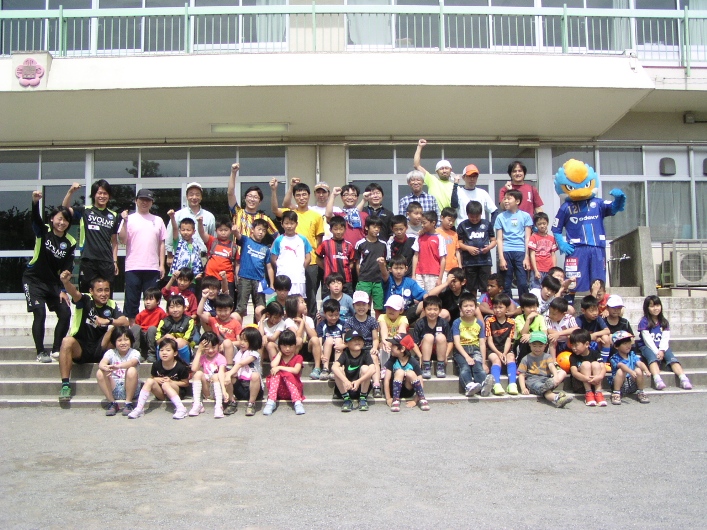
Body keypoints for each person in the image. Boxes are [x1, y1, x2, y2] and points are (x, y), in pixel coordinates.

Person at [58, 273, 129, 402]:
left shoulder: (111, 304)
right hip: (81, 347)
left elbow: (125, 321)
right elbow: (74, 293)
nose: (104, 294)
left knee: (117, 329)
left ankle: (122, 372)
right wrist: (65, 282)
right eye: (100, 290)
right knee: (66, 341)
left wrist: (108, 321)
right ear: (91, 291)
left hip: (100, 347)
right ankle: (65, 385)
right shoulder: (85, 300)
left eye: (106, 290)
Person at [23, 191, 76, 363]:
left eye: (65, 220)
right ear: (52, 219)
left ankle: (55, 349)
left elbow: (67, 267)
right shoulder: (43, 231)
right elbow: (35, 220)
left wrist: (62, 288)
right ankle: (40, 352)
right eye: (59, 218)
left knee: (65, 312)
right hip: (33, 280)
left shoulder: (70, 242)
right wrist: (35, 202)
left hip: (53, 284)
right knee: (40, 313)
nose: (62, 222)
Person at [271, 178, 324, 316]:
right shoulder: (291, 213)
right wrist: (280, 189)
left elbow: (319, 240)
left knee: (309, 296)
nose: (302, 198)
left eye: (304, 194)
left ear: (309, 196)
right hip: (290, 266)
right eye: (298, 195)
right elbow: (275, 209)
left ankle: (310, 325)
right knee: (288, 297)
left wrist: (313, 260)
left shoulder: (316, 216)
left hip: (311, 263)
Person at [118, 189, 166, 325]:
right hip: (133, 266)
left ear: (152, 203)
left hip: (152, 267)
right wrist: (125, 221)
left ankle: (150, 329)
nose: (145, 202)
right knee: (132, 301)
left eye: (148, 200)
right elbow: (122, 239)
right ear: (136, 201)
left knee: (152, 301)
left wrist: (161, 264)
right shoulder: (129, 218)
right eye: (142, 199)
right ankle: (133, 330)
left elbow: (162, 243)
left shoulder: (158, 220)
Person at [62, 180, 119, 292]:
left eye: (105, 193)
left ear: (109, 196)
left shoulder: (113, 215)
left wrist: (115, 261)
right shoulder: (85, 211)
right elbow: (64, 209)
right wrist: (70, 192)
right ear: (94, 195)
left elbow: (114, 241)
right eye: (99, 193)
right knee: (86, 295)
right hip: (88, 260)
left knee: (106, 295)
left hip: (107, 262)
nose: (102, 196)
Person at [637, 295, 692, 391]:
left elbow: (665, 338)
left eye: (657, 305)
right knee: (652, 359)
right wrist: (656, 351)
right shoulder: (644, 321)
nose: (656, 308)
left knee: (673, 359)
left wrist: (662, 350)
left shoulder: (664, 322)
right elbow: (647, 340)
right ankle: (657, 379)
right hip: (647, 347)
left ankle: (683, 378)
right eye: (652, 306)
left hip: (662, 347)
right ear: (647, 308)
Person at [127, 337, 190, 419]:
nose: (164, 353)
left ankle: (181, 409)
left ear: (175, 353)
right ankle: (139, 408)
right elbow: (152, 378)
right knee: (149, 381)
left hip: (177, 392)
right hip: (161, 393)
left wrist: (171, 382)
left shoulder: (180, 367)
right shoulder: (156, 365)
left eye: (168, 350)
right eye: (161, 350)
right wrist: (155, 379)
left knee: (166, 384)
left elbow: (185, 383)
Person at [452, 294, 494, 397]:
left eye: (471, 306)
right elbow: (456, 342)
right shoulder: (457, 322)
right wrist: (466, 356)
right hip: (461, 350)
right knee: (465, 368)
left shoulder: (479, 323)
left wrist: (484, 362)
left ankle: (484, 385)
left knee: (479, 367)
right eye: (465, 306)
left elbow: (482, 343)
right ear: (460, 308)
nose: (468, 309)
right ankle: (469, 385)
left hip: (475, 349)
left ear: (476, 308)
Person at [233, 219, 274, 322]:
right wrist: (234, 230)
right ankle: (238, 332)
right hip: (244, 278)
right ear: (252, 229)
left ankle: (258, 332)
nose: (261, 232)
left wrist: (272, 284)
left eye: (264, 230)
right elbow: (238, 235)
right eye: (259, 229)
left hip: (260, 281)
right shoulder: (246, 240)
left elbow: (269, 267)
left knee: (260, 308)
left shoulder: (265, 248)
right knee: (241, 308)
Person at [518, 331, 573, 408]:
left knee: (562, 372)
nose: (537, 349)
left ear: (545, 345)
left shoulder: (547, 356)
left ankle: (552, 388)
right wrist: (523, 388)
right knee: (545, 391)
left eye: (540, 346)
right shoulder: (526, 358)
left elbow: (551, 366)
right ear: (530, 345)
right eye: (534, 346)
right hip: (533, 381)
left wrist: (555, 377)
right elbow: (521, 374)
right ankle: (557, 398)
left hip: (546, 379)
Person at [494, 189, 533, 297]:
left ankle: (524, 307)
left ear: (517, 201)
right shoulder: (500, 217)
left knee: (522, 283)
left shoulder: (525, 216)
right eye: (504, 198)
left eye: (509, 198)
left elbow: (527, 238)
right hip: (506, 252)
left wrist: (527, 257)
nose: (505, 201)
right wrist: (501, 258)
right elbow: (499, 239)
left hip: (521, 252)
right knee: (505, 284)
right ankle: (508, 309)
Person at [96, 326, 141, 416]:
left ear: (131, 341)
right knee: (100, 372)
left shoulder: (135, 352)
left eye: (126, 340)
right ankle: (112, 403)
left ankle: (128, 403)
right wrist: (106, 368)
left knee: (132, 370)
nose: (123, 343)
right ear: (114, 342)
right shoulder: (110, 352)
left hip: (130, 388)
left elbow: (132, 362)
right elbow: (102, 363)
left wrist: (118, 366)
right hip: (114, 387)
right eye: (119, 340)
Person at [165, 181, 215, 262]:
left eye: (197, 194)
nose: (194, 197)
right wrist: (169, 256)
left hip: (203, 258)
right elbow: (170, 235)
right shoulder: (178, 215)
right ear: (187, 197)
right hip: (182, 257)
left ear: (201, 197)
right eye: (191, 194)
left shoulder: (209, 216)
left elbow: (212, 239)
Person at [228, 163, 278, 243]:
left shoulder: (264, 219)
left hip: (255, 254)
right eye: (250, 196)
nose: (252, 199)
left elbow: (277, 237)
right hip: (238, 255)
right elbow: (230, 193)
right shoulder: (237, 212)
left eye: (255, 197)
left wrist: (269, 252)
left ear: (260, 201)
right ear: (245, 198)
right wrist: (233, 173)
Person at [345, 291, 381, 396]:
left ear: (369, 306)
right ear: (353, 306)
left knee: (374, 357)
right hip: (355, 347)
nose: (361, 307)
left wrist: (374, 347)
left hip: (368, 347)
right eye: (358, 304)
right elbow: (347, 338)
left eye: (364, 304)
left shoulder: (372, 321)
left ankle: (376, 384)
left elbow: (375, 338)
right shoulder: (349, 321)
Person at [457, 200, 496, 299]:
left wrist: (489, 247)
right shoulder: (463, 225)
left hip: (484, 261)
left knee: (485, 287)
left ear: (481, 214)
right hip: (469, 262)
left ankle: (484, 306)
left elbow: (494, 241)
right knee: (471, 288)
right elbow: (459, 243)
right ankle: (472, 306)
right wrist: (468, 248)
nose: (474, 219)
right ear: (467, 214)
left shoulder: (487, 224)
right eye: (472, 217)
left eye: (477, 217)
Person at [263, 329, 306, 416]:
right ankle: (271, 402)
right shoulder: (279, 357)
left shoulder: (298, 357)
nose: (287, 349)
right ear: (280, 346)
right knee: (275, 375)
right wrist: (279, 354)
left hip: (293, 389)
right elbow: (273, 365)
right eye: (284, 346)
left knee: (287, 374)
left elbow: (296, 370)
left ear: (295, 346)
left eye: (291, 346)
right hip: (278, 389)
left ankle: (297, 403)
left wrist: (280, 367)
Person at [331, 329, 376, 412]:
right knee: (339, 369)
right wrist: (346, 381)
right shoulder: (345, 354)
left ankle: (363, 398)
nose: (357, 341)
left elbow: (373, 369)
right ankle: (347, 399)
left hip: (360, 387)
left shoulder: (365, 353)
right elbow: (334, 367)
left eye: (359, 339)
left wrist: (358, 381)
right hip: (346, 387)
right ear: (346, 344)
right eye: (353, 340)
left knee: (365, 368)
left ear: (363, 342)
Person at [383, 333, 430, 412]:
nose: (391, 347)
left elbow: (420, 381)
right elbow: (386, 380)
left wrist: (415, 400)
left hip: (408, 390)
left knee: (410, 373)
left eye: (394, 345)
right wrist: (388, 398)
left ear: (402, 349)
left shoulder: (413, 362)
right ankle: (396, 400)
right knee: (400, 372)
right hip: (394, 390)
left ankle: (422, 398)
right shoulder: (392, 360)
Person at [224, 326, 265, 417]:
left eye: (245, 341)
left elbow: (240, 364)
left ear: (253, 342)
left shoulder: (254, 353)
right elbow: (236, 370)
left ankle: (251, 403)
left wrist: (229, 374)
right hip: (241, 386)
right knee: (228, 375)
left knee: (255, 375)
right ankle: (232, 402)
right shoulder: (239, 353)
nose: (242, 343)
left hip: (254, 389)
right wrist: (228, 375)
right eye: (241, 340)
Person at [271, 210, 312, 299]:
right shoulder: (279, 240)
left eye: (292, 223)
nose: (289, 226)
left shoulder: (302, 239)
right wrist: (281, 267)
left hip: (298, 278)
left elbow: (308, 258)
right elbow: (273, 258)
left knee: (297, 301)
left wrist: (300, 267)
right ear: (282, 224)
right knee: (283, 300)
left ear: (296, 224)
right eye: (286, 223)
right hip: (283, 277)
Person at [411, 296, 453, 379]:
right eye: (429, 309)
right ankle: (426, 367)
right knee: (429, 337)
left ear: (440, 310)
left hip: (439, 352)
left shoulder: (443, 322)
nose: (432, 312)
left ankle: (440, 366)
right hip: (424, 352)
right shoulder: (420, 323)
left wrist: (446, 354)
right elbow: (414, 343)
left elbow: (450, 341)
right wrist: (420, 356)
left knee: (440, 337)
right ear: (424, 310)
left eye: (435, 309)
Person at [189, 331, 228, 419]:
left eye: (213, 347)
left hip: (218, 389)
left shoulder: (221, 358)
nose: (210, 350)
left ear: (218, 345)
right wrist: (199, 351)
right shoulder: (202, 358)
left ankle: (219, 406)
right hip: (207, 390)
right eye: (206, 347)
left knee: (215, 375)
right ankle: (197, 404)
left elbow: (221, 373)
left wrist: (224, 390)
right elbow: (194, 369)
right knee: (198, 373)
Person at [378, 255, 427, 325]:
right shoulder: (389, 280)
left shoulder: (410, 282)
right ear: (390, 269)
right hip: (390, 312)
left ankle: (419, 327)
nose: (398, 271)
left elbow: (423, 294)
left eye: (401, 268)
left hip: (405, 313)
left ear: (406, 268)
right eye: (396, 268)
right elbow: (384, 274)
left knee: (425, 303)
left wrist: (429, 299)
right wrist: (382, 265)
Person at [485, 293, 517, 396]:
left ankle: (512, 384)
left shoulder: (512, 322)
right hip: (493, 348)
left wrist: (504, 352)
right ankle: (496, 384)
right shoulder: (489, 321)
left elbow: (509, 340)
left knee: (511, 357)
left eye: (500, 307)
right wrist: (499, 353)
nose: (498, 310)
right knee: (496, 360)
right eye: (495, 307)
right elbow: (489, 341)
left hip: (506, 348)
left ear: (507, 308)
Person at [354, 216, 387, 316]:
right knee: (362, 306)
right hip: (364, 281)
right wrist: (361, 277)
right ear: (367, 227)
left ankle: (379, 330)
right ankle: (363, 329)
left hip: (379, 281)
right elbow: (357, 263)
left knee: (379, 308)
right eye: (374, 226)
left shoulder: (384, 244)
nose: (376, 229)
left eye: (379, 227)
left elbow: (387, 262)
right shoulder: (360, 244)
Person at [199, 215, 237, 300]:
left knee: (227, 301)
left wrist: (237, 279)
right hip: (210, 277)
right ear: (216, 231)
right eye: (220, 230)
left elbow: (237, 264)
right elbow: (202, 233)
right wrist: (200, 223)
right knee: (208, 302)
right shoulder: (212, 241)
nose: (223, 233)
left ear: (230, 231)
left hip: (227, 279)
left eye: (226, 230)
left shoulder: (234, 246)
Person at [284, 294, 322, 379]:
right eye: (302, 302)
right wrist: (301, 324)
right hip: (296, 348)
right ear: (294, 306)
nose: (305, 304)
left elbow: (314, 335)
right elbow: (296, 337)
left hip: (307, 348)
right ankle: (292, 363)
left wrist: (304, 323)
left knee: (315, 339)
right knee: (298, 340)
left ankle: (317, 368)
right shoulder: (289, 321)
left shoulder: (308, 319)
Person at [197, 293, 241, 365]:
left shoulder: (235, 323)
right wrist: (204, 298)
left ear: (231, 309)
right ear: (215, 310)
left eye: (226, 310)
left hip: (231, 349)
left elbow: (240, 342)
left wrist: (225, 344)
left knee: (227, 343)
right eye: (220, 310)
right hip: (217, 348)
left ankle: (229, 367)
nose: (223, 313)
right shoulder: (213, 320)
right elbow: (199, 313)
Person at [316, 216, 355, 295]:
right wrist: (327, 268)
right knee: (328, 304)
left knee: (347, 304)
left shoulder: (349, 245)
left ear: (345, 229)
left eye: (341, 229)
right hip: (329, 280)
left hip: (346, 281)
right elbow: (318, 260)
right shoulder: (325, 244)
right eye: (335, 229)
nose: (338, 232)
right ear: (330, 230)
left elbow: (351, 263)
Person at [568, 328, 607, 406]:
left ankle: (598, 393)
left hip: (595, 382)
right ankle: (588, 393)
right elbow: (574, 372)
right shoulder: (573, 356)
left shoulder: (595, 354)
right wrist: (587, 379)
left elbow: (603, 367)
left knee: (596, 364)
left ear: (586, 344)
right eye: (572, 345)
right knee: (585, 364)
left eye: (576, 345)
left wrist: (599, 376)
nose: (574, 348)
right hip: (580, 384)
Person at [413, 139, 456, 211]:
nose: (444, 171)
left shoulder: (455, 186)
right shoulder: (432, 180)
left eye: (446, 168)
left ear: (450, 170)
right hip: (434, 220)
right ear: (437, 172)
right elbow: (416, 165)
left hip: (451, 220)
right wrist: (419, 147)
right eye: (441, 169)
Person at [609, 331, 650, 405]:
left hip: (632, 384)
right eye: (624, 344)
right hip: (621, 385)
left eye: (629, 343)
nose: (628, 346)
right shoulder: (614, 358)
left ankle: (640, 392)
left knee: (638, 370)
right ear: (616, 346)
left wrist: (646, 370)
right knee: (621, 371)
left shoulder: (632, 355)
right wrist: (630, 371)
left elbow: (639, 363)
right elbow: (621, 365)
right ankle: (616, 393)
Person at [154, 295, 196, 364]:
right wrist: (165, 337)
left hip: (184, 348)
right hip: (168, 347)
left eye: (178, 306)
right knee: (162, 345)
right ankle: (162, 367)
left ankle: (185, 366)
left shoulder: (189, 321)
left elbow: (188, 340)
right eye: (172, 307)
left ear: (184, 308)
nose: (175, 310)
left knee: (180, 342)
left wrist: (174, 340)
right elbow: (157, 341)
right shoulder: (163, 321)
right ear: (167, 309)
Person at [411, 210, 446, 291]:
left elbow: (443, 259)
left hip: (433, 273)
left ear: (433, 223)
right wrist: (413, 274)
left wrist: (440, 278)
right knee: (418, 298)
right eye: (421, 223)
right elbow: (415, 255)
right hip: (419, 273)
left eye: (424, 223)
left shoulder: (440, 238)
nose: (422, 225)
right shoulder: (419, 236)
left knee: (430, 298)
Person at [326, 185, 368, 250]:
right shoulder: (338, 215)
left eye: (353, 195)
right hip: (342, 250)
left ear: (357, 197)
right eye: (346, 195)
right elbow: (328, 215)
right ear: (342, 197)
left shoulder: (364, 215)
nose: (349, 197)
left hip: (360, 251)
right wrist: (333, 195)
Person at [130, 287, 166, 362]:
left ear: (158, 301)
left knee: (152, 329)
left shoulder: (161, 313)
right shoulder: (141, 314)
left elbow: (164, 327)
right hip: (143, 336)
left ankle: (152, 354)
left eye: (151, 299)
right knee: (135, 327)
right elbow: (137, 328)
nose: (148, 302)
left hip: (154, 336)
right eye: (146, 299)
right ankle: (137, 353)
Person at [165, 212, 204, 281]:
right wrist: (172, 217)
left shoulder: (196, 243)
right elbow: (174, 228)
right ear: (180, 231)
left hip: (193, 276)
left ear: (194, 231)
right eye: (183, 230)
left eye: (188, 230)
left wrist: (200, 222)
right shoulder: (178, 242)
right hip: (178, 276)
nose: (185, 232)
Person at [513, 293, 547, 366]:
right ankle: (522, 364)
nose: (532, 310)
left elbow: (544, 333)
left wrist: (531, 335)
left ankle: (541, 363)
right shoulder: (518, 318)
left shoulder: (540, 318)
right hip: (522, 344)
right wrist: (528, 319)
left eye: (534, 306)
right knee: (524, 340)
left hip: (536, 341)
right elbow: (523, 334)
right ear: (522, 308)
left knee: (545, 340)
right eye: (529, 307)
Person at [316, 299, 346, 381]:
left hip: (339, 349)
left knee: (338, 339)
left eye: (336, 315)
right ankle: (325, 368)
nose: (334, 318)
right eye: (331, 315)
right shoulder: (322, 325)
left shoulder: (342, 324)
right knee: (329, 339)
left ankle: (336, 368)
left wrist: (342, 345)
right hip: (327, 349)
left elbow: (345, 340)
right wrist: (321, 354)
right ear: (325, 314)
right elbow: (319, 341)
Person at [575, 295, 612, 362]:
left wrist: (595, 335)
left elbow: (607, 331)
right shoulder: (579, 320)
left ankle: (604, 362)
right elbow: (578, 335)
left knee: (606, 338)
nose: (595, 313)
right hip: (585, 345)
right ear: (583, 311)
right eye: (591, 311)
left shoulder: (598, 318)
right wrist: (590, 337)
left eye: (596, 310)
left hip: (596, 343)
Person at [377, 294, 409, 371]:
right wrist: (385, 341)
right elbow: (384, 328)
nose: (391, 310)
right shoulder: (382, 317)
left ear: (401, 310)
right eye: (389, 308)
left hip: (397, 342)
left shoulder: (403, 319)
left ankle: (401, 366)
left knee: (401, 348)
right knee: (384, 346)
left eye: (394, 309)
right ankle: (384, 367)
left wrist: (393, 343)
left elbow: (402, 332)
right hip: (385, 341)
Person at [528, 212, 558, 290]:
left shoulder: (552, 238)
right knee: (536, 289)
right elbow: (532, 255)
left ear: (547, 223)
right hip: (538, 269)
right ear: (536, 225)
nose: (542, 226)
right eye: (539, 224)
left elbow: (553, 254)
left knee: (549, 289)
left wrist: (554, 270)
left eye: (544, 223)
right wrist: (535, 270)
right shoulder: (533, 238)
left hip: (549, 269)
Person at [545, 297, 578, 361]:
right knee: (552, 339)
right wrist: (564, 333)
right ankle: (553, 360)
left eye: (554, 314)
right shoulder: (548, 319)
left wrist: (558, 333)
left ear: (564, 314)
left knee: (571, 336)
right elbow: (549, 330)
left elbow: (575, 329)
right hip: (556, 343)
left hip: (567, 342)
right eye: (550, 312)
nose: (551, 315)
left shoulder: (569, 318)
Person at [437, 207, 461, 282]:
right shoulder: (435, 232)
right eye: (449, 220)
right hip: (441, 268)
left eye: (453, 221)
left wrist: (459, 265)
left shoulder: (454, 234)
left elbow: (457, 251)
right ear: (442, 218)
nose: (451, 223)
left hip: (454, 267)